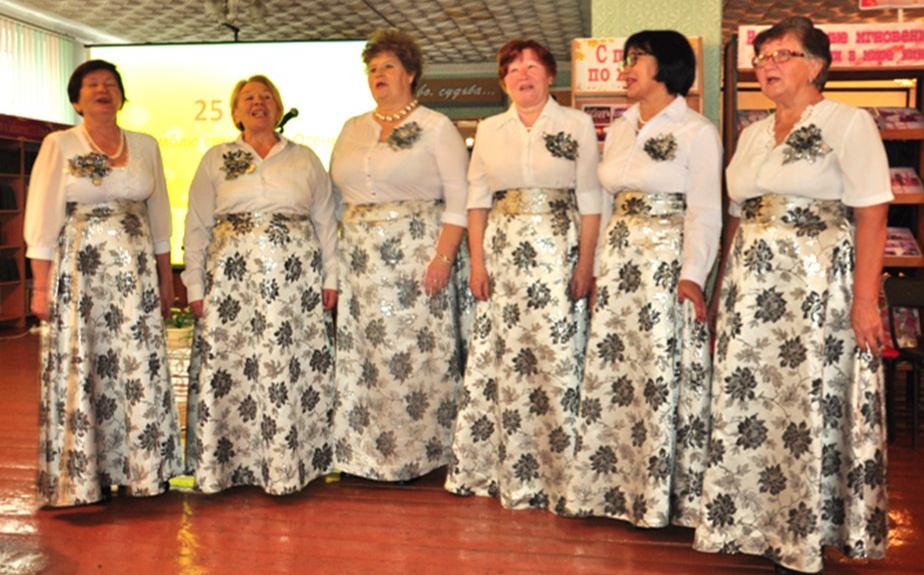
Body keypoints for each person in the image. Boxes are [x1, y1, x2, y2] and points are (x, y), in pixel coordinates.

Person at [693, 17, 890, 575]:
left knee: (806, 402)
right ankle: (746, 523)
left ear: (817, 65)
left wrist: (865, 302)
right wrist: (723, 292)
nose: (768, 65)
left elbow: (873, 214)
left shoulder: (848, 122)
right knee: (752, 402)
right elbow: (737, 218)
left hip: (816, 291)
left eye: (782, 54)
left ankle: (804, 532)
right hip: (751, 293)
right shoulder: (752, 132)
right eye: (762, 58)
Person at [564, 30, 722, 527]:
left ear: (667, 66)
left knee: (657, 372)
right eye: (625, 59)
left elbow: (705, 211)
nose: (626, 68)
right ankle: (609, 486)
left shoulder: (697, 130)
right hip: (618, 265)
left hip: (664, 268)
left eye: (637, 59)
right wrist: (595, 269)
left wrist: (693, 275)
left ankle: (660, 496)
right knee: (618, 370)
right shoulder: (620, 126)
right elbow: (605, 202)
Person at [444, 39, 602, 513]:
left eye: (532, 66)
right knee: (506, 357)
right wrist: (477, 263)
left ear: (551, 75)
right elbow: (477, 201)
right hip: (503, 257)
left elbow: (590, 199)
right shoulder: (490, 129)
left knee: (555, 355)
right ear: (503, 81)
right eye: (513, 69)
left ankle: (562, 474)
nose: (523, 75)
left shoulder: (576, 124)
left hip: (559, 254)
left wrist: (586, 264)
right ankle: (502, 468)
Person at [25, 59, 182, 507]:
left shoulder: (146, 145)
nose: (102, 89)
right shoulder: (59, 144)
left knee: (135, 363)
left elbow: (159, 218)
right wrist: (41, 287)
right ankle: (84, 477)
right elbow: (42, 220)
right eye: (92, 84)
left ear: (121, 96)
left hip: (137, 275)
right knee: (88, 365)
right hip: (83, 275)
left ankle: (141, 470)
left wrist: (165, 279)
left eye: (110, 83)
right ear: (76, 100)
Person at [182, 75, 338, 495]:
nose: (258, 102)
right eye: (248, 97)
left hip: (295, 284)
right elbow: (197, 225)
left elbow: (326, 220)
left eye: (267, 96)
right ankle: (231, 464)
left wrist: (332, 277)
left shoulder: (305, 158)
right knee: (235, 369)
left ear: (278, 108)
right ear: (235, 112)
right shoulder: (216, 158)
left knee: (286, 364)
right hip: (231, 285)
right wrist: (194, 285)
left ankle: (291, 463)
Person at [329, 29, 469, 482]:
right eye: (373, 68)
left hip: (417, 258)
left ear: (410, 73)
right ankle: (364, 455)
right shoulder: (352, 128)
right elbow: (336, 198)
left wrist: (443, 258)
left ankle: (420, 454)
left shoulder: (436, 126)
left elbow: (460, 198)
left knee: (412, 357)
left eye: (388, 66)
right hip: (361, 264)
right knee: (367, 357)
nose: (379, 74)